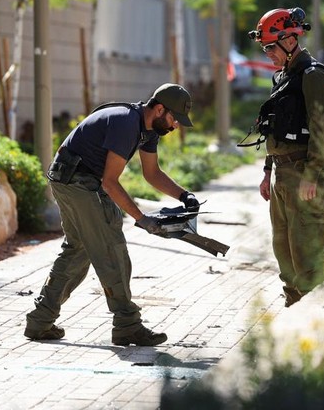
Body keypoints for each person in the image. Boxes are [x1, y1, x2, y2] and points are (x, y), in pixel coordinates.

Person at [23, 83, 201, 346]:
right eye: (174, 119)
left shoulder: (149, 128)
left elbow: (151, 173)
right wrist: (141, 219)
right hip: (78, 181)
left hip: (69, 178)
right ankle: (127, 325)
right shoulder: (126, 123)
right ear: (160, 109)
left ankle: (40, 321)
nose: (175, 126)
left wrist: (184, 195)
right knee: (111, 248)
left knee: (77, 250)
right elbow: (110, 182)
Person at [249, 7, 324, 307]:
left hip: (306, 174)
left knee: (306, 252)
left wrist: (312, 174)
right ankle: (294, 305)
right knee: (283, 249)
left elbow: (323, 129)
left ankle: (315, 318)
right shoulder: (284, 78)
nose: (268, 53)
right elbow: (277, 131)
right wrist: (267, 171)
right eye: (265, 48)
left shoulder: (313, 77)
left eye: (271, 47)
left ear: (289, 41)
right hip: (283, 176)